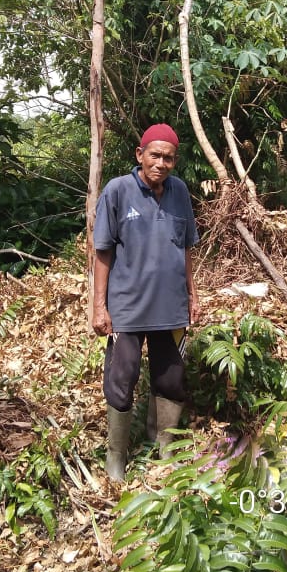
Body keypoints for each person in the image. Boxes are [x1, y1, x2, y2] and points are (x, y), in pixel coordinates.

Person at [92, 123, 200, 480]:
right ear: (140, 155)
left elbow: (185, 248)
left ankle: (164, 446)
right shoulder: (118, 191)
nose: (161, 163)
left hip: (170, 307)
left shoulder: (179, 192)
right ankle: (116, 455)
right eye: (155, 155)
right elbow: (103, 251)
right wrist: (98, 306)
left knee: (170, 380)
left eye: (168, 157)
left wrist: (192, 295)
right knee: (122, 378)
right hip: (127, 307)